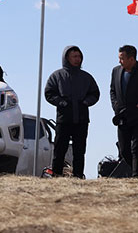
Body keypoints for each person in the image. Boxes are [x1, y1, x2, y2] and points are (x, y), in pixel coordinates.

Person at [44, 45, 100, 178]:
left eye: (79, 56)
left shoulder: (86, 77)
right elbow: (49, 93)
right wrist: (61, 102)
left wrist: (86, 102)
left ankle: (78, 175)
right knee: (59, 149)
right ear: (67, 58)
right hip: (64, 119)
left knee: (80, 150)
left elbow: (95, 94)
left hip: (81, 119)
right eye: (74, 56)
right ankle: (56, 174)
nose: (77, 59)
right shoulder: (57, 76)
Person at [109, 45, 138, 178]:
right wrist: (115, 106)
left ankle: (137, 174)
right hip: (122, 116)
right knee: (124, 149)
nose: (119, 61)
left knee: (137, 147)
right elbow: (112, 91)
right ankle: (136, 168)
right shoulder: (116, 71)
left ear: (131, 59)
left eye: (122, 58)